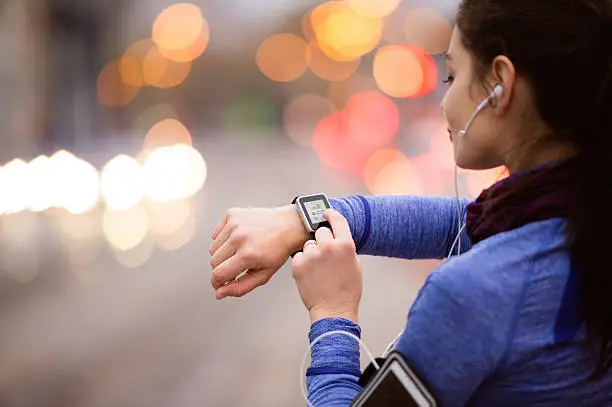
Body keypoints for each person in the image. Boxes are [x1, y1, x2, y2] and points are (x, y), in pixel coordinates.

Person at [209, 0, 612, 405]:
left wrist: (333, 313)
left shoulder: (473, 294)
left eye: (451, 76)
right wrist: (304, 218)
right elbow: (464, 224)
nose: (444, 102)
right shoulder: (579, 217)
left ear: (501, 84)